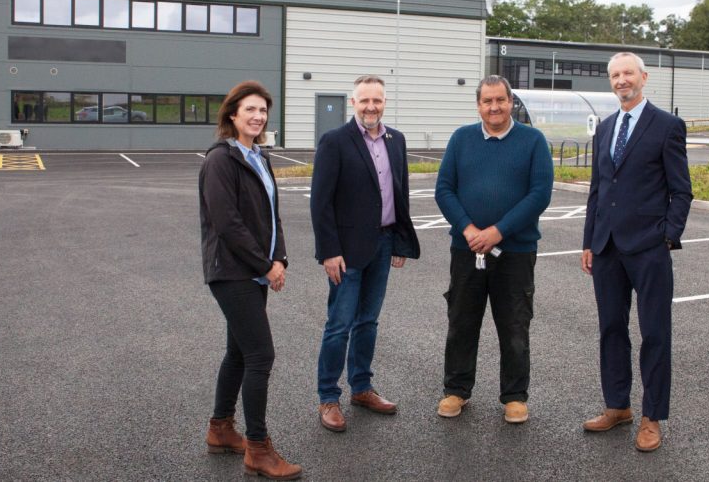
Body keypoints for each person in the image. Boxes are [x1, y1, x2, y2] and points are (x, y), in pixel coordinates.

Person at [581, 52, 692, 452]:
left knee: (655, 334)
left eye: (628, 73)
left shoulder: (666, 126)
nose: (621, 80)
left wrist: (667, 235)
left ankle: (651, 417)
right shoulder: (607, 127)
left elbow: (681, 190)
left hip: (648, 248)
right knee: (611, 329)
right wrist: (589, 241)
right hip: (607, 247)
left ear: (643, 77)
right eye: (615, 75)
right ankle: (617, 406)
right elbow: (598, 190)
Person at [434, 75, 553, 423]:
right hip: (466, 248)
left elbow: (539, 195)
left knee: (515, 324)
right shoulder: (461, 139)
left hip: (515, 252)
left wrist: (498, 232)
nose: (494, 107)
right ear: (478, 104)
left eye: (500, 100)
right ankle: (456, 391)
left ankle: (514, 396)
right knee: (461, 321)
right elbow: (444, 190)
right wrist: (471, 230)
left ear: (510, 101)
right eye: (487, 101)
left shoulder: (533, 141)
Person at [199, 81, 302, 480]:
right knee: (261, 355)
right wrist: (264, 265)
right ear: (231, 115)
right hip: (233, 271)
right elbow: (228, 224)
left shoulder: (258, 156)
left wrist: (280, 258)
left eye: (262, 110)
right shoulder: (220, 161)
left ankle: (221, 429)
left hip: (255, 269)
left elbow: (270, 215)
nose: (258, 117)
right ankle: (258, 448)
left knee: (240, 353)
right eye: (250, 110)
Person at [310, 74, 420, 432]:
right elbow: (321, 202)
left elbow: (398, 194)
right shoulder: (335, 141)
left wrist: (401, 241)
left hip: (384, 242)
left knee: (369, 322)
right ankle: (328, 397)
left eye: (378, 100)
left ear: (385, 102)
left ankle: (361, 387)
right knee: (339, 325)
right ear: (352, 103)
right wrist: (329, 251)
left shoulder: (396, 140)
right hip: (346, 252)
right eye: (364, 100)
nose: (371, 106)